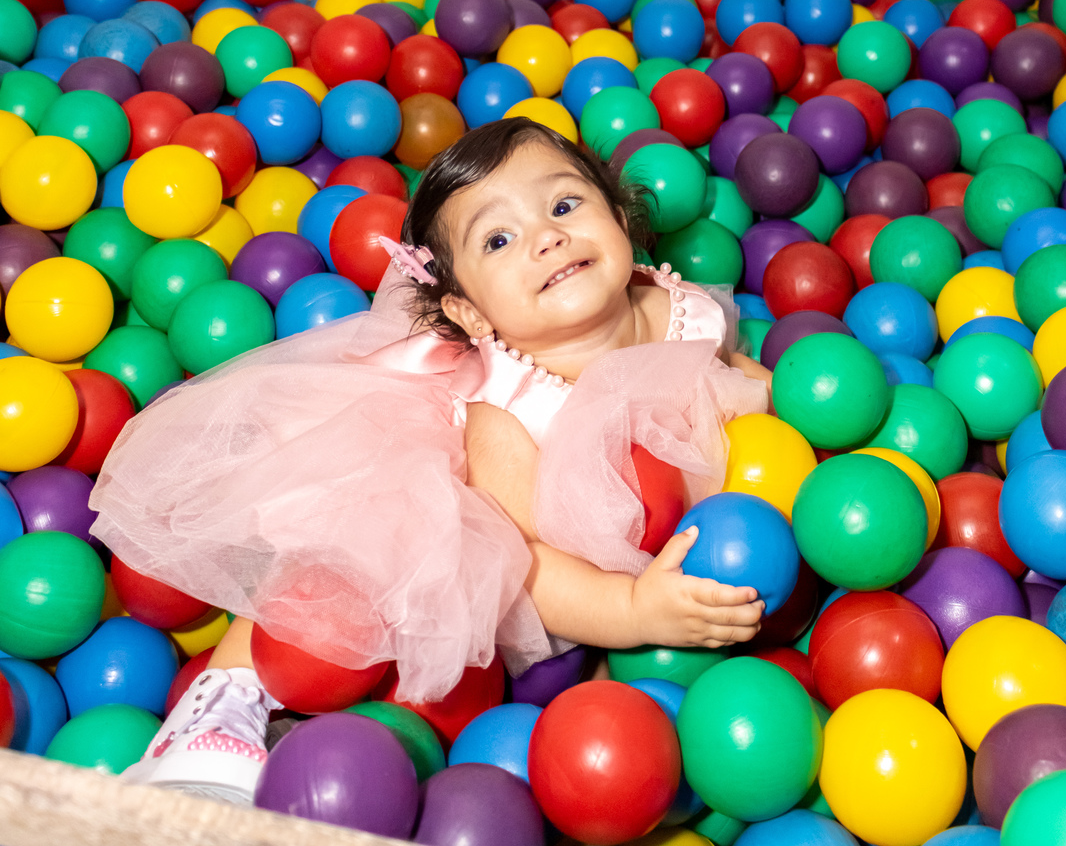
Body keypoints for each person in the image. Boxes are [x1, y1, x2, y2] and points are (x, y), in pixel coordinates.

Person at [91, 118, 772, 803]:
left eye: (565, 205)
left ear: (620, 218)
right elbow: (525, 568)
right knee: (343, 563)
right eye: (498, 240)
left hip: (621, 570)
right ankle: (221, 705)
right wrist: (631, 611)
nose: (546, 236)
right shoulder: (507, 417)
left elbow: (731, 379)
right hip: (459, 524)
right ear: (470, 314)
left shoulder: (683, 313)